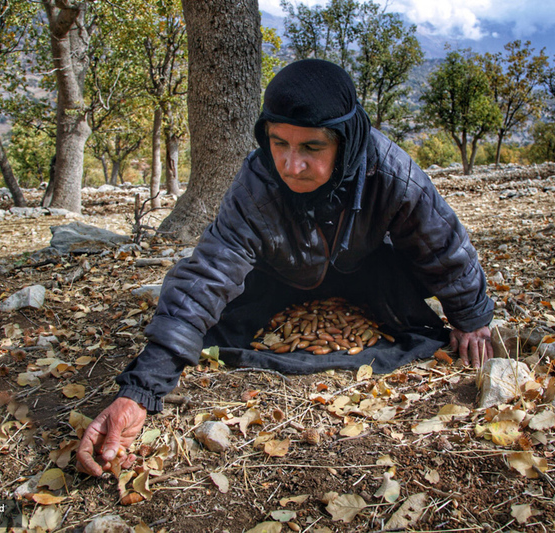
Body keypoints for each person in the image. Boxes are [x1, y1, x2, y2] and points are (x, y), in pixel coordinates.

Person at [77, 59, 494, 476]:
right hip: (280, 280)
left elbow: (440, 243)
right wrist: (141, 389)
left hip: (366, 274)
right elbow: (210, 272)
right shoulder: (256, 183)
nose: (292, 165)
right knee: (221, 309)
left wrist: (470, 316)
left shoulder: (391, 172)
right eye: (279, 143)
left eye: (312, 147)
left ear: (345, 142)